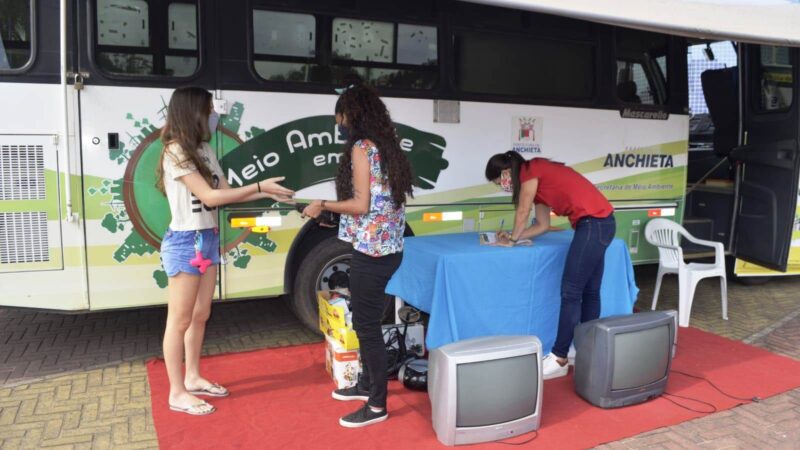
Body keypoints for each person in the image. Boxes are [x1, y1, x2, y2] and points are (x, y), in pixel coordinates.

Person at [157, 86, 294, 415]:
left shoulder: (203, 149)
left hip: (207, 238)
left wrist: (266, 194)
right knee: (179, 321)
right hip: (186, 240)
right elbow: (211, 197)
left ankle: (192, 377)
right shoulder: (175, 151)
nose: (213, 115)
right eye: (208, 110)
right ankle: (176, 392)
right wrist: (260, 186)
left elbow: (228, 193)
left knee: (201, 314)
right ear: (193, 112)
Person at [302, 81, 413, 428]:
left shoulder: (362, 147)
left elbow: (361, 203)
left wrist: (322, 205)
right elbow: (375, 202)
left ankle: (377, 405)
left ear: (350, 114)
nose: (338, 123)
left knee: (366, 326)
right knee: (367, 321)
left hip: (373, 251)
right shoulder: (385, 144)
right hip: (388, 247)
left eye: (339, 116)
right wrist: (333, 216)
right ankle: (366, 385)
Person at [485, 151, 615, 379]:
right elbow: (542, 225)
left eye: (498, 181)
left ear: (506, 172)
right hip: (601, 224)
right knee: (590, 291)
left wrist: (513, 239)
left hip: (594, 225)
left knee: (571, 292)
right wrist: (513, 237)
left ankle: (559, 357)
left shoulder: (530, 171)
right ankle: (587, 351)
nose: (501, 186)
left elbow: (522, 212)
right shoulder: (537, 182)